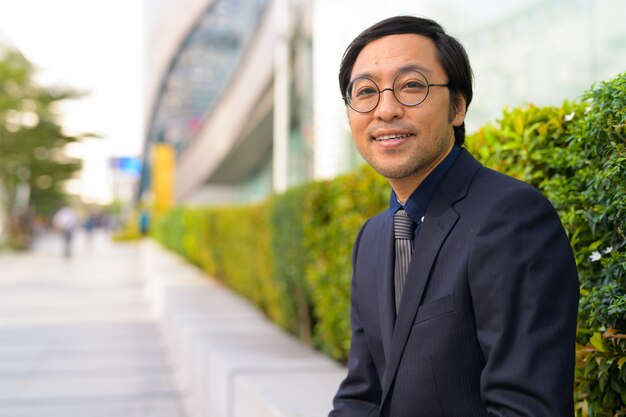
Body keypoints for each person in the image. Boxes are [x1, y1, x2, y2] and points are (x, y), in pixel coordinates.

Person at [329, 16, 579, 417]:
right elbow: (361, 395)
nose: (386, 110)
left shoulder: (512, 217)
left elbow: (525, 407)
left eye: (411, 85)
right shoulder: (373, 238)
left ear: (457, 106)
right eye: (365, 92)